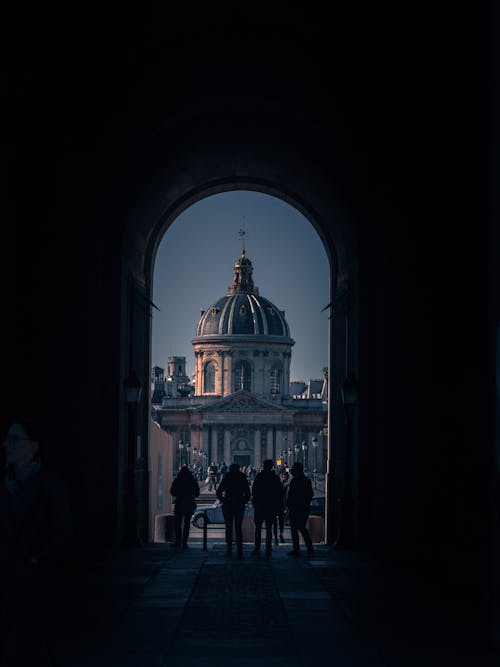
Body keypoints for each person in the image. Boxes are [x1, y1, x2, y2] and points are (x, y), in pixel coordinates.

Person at [0, 415, 73, 665]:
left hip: (34, 585)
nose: (7, 445)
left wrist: (36, 558)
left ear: (34, 446)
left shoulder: (51, 486)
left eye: (15, 440)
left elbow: (63, 534)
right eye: (7, 439)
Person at [216, 462, 251, 557]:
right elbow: (248, 493)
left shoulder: (227, 477)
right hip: (239, 505)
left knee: (228, 527)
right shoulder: (242, 477)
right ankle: (240, 549)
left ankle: (229, 548)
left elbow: (219, 492)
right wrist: (244, 501)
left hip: (228, 504)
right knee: (238, 527)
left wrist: (223, 500)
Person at [251, 459, 283, 556]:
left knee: (258, 529)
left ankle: (257, 548)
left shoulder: (259, 476)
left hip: (260, 506)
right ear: (272, 466)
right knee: (269, 529)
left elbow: (254, 491)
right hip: (271, 507)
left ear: (264, 466)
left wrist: (255, 503)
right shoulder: (275, 478)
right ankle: (268, 549)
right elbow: (280, 492)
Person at [286, 461, 314, 556]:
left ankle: (299, 548)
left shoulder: (294, 481)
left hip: (297, 508)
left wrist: (290, 504)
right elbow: (310, 495)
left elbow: (290, 496)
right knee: (300, 528)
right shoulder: (306, 481)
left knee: (298, 528)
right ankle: (307, 547)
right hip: (301, 508)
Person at [170, 464, 200, 548]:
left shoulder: (177, 480)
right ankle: (184, 542)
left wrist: (179, 494)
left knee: (178, 524)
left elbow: (172, 492)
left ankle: (178, 541)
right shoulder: (192, 480)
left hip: (179, 503)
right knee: (187, 524)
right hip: (189, 503)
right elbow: (197, 493)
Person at [273, 470, 288, 545]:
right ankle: (281, 534)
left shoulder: (272, 487)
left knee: (275, 523)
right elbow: (284, 498)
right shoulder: (282, 486)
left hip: (274, 506)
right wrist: (285, 506)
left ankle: (275, 538)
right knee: (281, 522)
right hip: (281, 506)